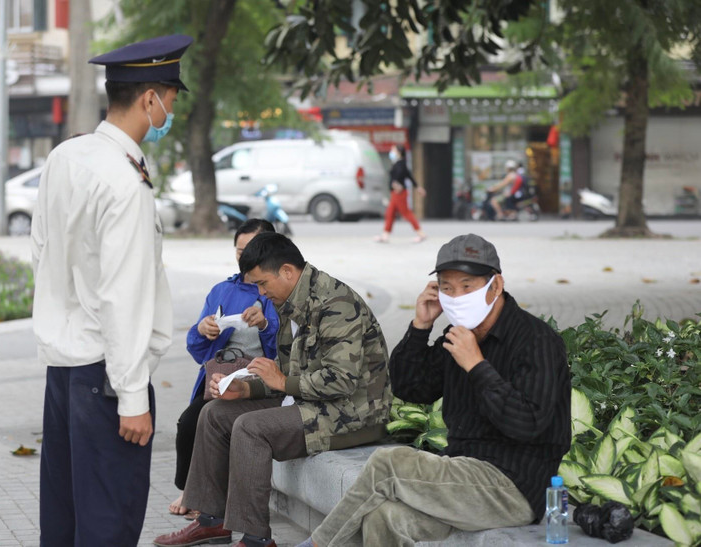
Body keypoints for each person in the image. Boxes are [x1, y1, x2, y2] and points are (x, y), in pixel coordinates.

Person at [297, 233, 571, 547]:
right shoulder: (459, 335)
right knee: (384, 516)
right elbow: (411, 388)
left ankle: (316, 545)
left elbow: (528, 424)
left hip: (513, 488)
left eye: (467, 286)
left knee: (387, 464)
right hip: (460, 474)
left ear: (496, 286)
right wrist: (420, 326)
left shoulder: (536, 340)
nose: (457, 296)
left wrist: (477, 366)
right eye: (447, 288)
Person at [30, 34, 193, 546]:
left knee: (64, 520)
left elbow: (41, 250)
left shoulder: (66, 156)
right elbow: (123, 298)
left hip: (64, 373)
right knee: (109, 523)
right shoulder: (126, 184)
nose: (170, 112)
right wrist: (132, 397)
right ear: (150, 99)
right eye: (171, 99)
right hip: (107, 377)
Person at [154, 232, 392, 547]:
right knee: (213, 413)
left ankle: (256, 539)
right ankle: (212, 521)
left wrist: (281, 382)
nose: (261, 293)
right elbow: (285, 370)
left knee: (250, 427)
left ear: (287, 272)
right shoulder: (289, 301)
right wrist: (245, 390)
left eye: (263, 284)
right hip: (312, 403)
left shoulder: (337, 303)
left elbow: (341, 380)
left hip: (354, 415)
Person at [169, 219, 281, 519]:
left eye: (252, 250)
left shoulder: (277, 291)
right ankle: (189, 489)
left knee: (216, 420)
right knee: (189, 422)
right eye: (240, 251)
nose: (245, 257)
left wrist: (265, 324)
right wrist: (201, 330)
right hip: (220, 373)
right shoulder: (222, 290)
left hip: (258, 377)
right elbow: (197, 352)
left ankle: (205, 498)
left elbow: (285, 350)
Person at [374, 145, 426, 244]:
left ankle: (421, 233)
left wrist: (397, 184)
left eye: (393, 150)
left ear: (398, 152)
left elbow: (404, 176)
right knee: (390, 213)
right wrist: (418, 187)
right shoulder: (399, 163)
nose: (391, 152)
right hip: (395, 193)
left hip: (399, 194)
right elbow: (409, 176)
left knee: (406, 213)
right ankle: (385, 235)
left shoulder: (400, 164)